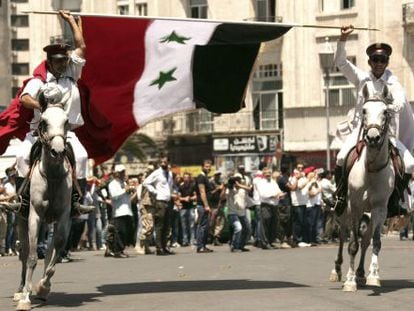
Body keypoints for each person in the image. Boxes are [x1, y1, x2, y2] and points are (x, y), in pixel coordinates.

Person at [0, 11, 94, 216]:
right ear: (50, 62)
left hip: (66, 133)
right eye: (59, 60)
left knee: (82, 157)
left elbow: (82, 47)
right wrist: (43, 106)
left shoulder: (72, 74)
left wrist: (70, 21)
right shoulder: (38, 80)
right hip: (39, 132)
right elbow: (24, 99)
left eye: (65, 59)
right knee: (22, 156)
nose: (63, 63)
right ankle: (21, 201)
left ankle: (77, 202)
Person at [333, 25, 414, 214]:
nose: (379, 63)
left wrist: (389, 107)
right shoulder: (362, 78)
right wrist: (343, 38)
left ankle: (396, 201)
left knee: (410, 164)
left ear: (387, 62)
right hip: (360, 132)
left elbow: (401, 102)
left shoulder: (394, 83)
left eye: (383, 60)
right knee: (340, 157)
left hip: (387, 135)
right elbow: (341, 62)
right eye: (375, 59)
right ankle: (340, 197)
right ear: (369, 61)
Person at [142, 157, 174, 256]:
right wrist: (154, 191)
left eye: (165, 161)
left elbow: (170, 186)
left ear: (168, 162)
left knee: (166, 226)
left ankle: (164, 247)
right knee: (159, 226)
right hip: (160, 201)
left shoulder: (170, 173)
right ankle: (159, 248)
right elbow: (146, 182)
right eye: (161, 161)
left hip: (168, 201)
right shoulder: (157, 173)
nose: (163, 163)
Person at [107, 164, 134, 258]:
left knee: (126, 232)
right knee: (120, 232)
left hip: (127, 210)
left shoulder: (125, 183)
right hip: (119, 211)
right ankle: (117, 251)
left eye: (124, 172)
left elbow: (128, 195)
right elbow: (114, 196)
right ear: (117, 173)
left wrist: (129, 189)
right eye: (121, 172)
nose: (123, 174)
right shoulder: (112, 184)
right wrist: (124, 190)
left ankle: (121, 249)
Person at [222, 173, 252, 252]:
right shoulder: (230, 189)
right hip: (232, 213)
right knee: (238, 228)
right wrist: (225, 187)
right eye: (235, 180)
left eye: (238, 180)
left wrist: (240, 185)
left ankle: (240, 246)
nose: (236, 181)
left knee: (248, 229)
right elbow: (222, 197)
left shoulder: (242, 189)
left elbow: (249, 189)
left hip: (242, 213)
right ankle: (234, 246)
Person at [195, 160, 214, 253]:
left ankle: (203, 245)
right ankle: (200, 246)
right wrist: (206, 205)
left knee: (205, 226)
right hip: (202, 206)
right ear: (202, 167)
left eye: (209, 166)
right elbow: (202, 192)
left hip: (206, 205)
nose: (208, 168)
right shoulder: (201, 177)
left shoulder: (205, 177)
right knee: (202, 226)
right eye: (206, 166)